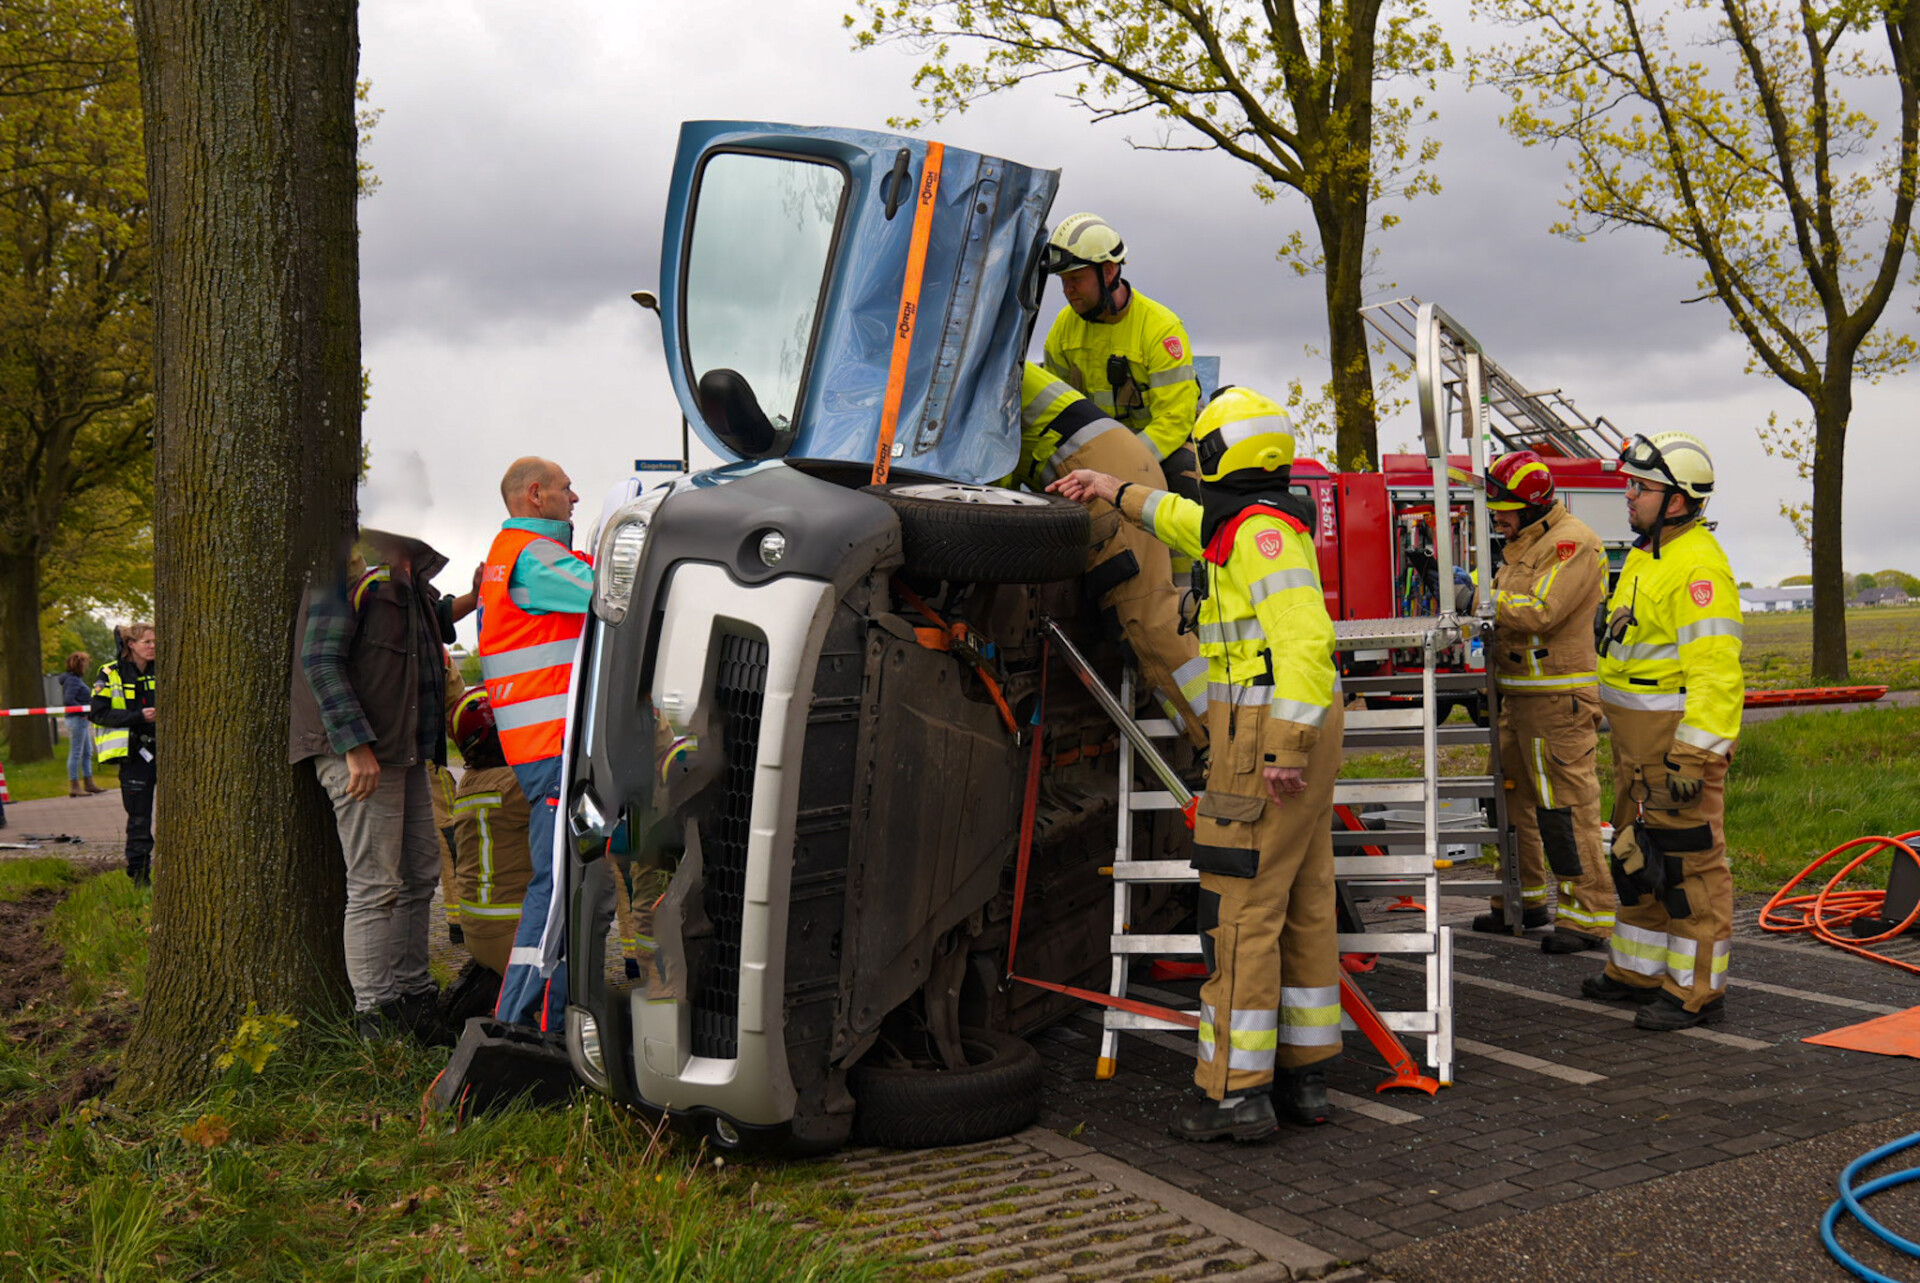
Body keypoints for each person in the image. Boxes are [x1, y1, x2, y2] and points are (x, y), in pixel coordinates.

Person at [1051, 387, 1344, 1141]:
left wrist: (1282, 747)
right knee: (1303, 896)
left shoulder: (1260, 538)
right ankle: (1304, 1076)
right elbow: (1182, 519)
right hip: (1286, 721)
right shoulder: (1249, 523)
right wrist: (1110, 487)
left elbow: (1306, 643)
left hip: (1263, 725)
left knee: (1239, 908)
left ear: (1218, 456)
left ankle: (1235, 1092)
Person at [1579, 432, 1743, 1032]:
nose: (1629, 495)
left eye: (1641, 487)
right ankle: (1637, 972)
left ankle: (1698, 990)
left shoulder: (1698, 566)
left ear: (1676, 501)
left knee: (1689, 868)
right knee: (1633, 857)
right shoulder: (1652, 555)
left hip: (1672, 746)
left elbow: (1717, 675)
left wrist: (1693, 757)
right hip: (1636, 743)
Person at [291, 529, 476, 1043]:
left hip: (406, 752)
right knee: (375, 885)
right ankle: (376, 1017)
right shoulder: (343, 572)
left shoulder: (409, 579)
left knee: (419, 876)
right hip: (362, 756)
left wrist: (475, 598)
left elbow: (432, 628)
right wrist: (355, 747)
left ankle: (413, 997)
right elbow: (320, 661)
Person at [1457, 452, 1616, 953]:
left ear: (1532, 506)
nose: (1496, 515)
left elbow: (1542, 610)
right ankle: (1519, 902)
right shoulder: (1523, 544)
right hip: (1517, 701)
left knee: (1563, 809)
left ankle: (1587, 916)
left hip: (1556, 704)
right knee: (1505, 803)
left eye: (1504, 507)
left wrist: (1476, 598)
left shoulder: (1572, 544)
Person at [1011, 362, 1208, 748]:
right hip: (1108, 466)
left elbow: (983, 472)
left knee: (1146, 619)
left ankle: (1221, 738)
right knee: (1142, 629)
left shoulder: (973, 368)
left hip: (1103, 474)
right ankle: (1205, 733)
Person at [480, 456, 592, 1033]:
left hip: (544, 750)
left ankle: (551, 1017)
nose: (574, 498)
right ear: (534, 495)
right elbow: (610, 597)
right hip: (556, 751)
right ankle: (521, 1027)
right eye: (566, 489)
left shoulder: (512, 560)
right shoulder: (536, 556)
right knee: (557, 891)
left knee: (570, 883)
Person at [1040, 213, 1202, 474]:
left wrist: (1118, 466)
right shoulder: (1063, 326)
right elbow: (1050, 408)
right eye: (1063, 280)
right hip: (1093, 454)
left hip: (1153, 452)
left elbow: (1173, 421)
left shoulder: (1161, 329)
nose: (1066, 289)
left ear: (1107, 271)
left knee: (1184, 469)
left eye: (1076, 279)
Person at [90, 624, 157, 885]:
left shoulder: (162, 669)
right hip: (133, 756)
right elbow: (98, 713)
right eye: (146, 642)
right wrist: (137, 717)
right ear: (131, 644)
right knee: (139, 818)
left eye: (154, 642)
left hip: (163, 752)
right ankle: (140, 878)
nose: (152, 646)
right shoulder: (110, 673)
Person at [61, 652, 103, 797]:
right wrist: (83, 712)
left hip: (81, 720)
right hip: (77, 720)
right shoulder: (73, 681)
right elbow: (69, 700)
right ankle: (74, 785)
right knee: (76, 753)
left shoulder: (75, 680)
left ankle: (88, 783)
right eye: (85, 663)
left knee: (87, 752)